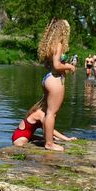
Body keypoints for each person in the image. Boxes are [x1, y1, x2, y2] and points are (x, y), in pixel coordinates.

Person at [36, 18, 75, 151]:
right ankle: (49, 143)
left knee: (48, 112)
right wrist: (69, 66)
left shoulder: (50, 44)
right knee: (52, 113)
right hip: (55, 79)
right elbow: (57, 65)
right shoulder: (58, 45)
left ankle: (48, 140)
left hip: (48, 78)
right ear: (63, 31)